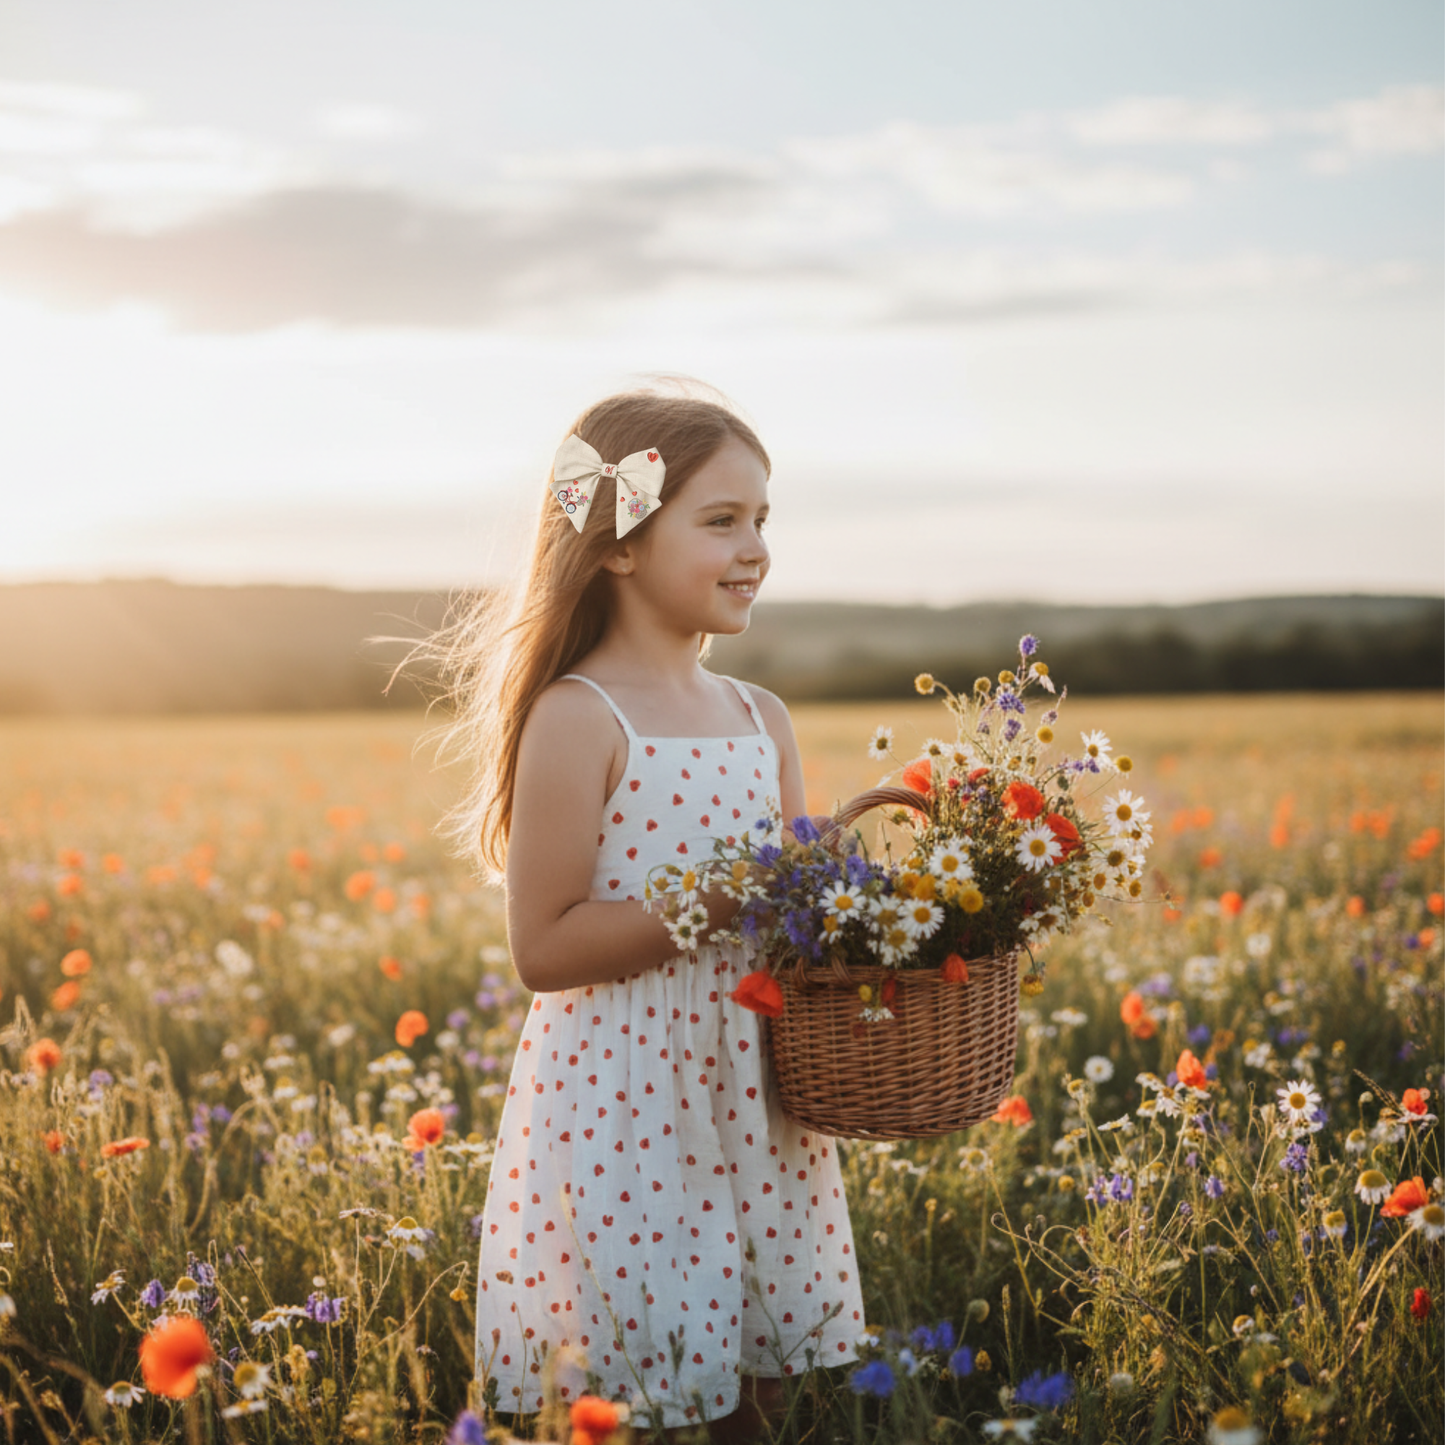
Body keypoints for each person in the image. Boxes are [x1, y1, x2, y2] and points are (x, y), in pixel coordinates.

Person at [425, 385, 863, 1440]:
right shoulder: (580, 715)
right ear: (617, 545)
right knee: (647, 1388)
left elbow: (789, 918)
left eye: (761, 520)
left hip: (752, 1081)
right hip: (627, 1099)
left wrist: (867, 915)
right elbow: (543, 944)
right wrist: (718, 894)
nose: (753, 547)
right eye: (719, 521)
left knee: (754, 1387)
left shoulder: (761, 715)